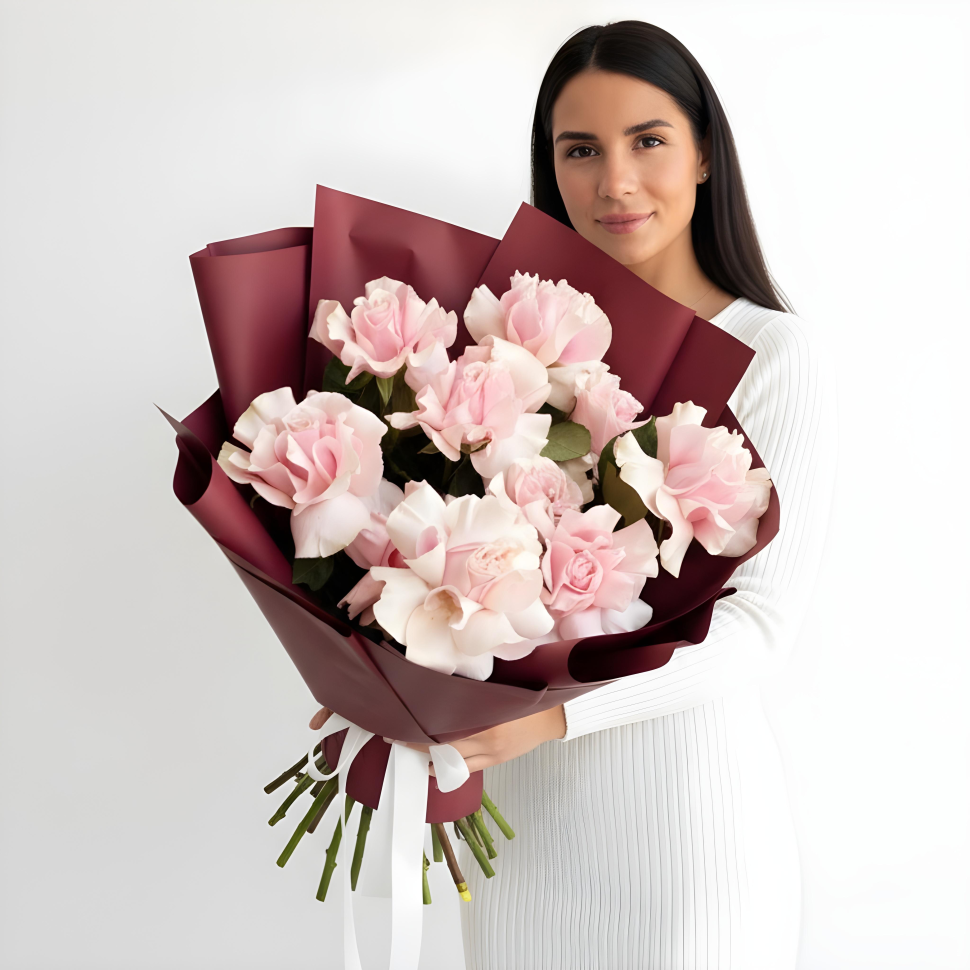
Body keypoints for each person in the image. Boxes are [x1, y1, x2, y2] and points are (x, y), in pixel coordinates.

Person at [314, 20, 836, 969]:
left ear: (705, 153)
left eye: (648, 140)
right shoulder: (508, 348)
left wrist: (556, 717)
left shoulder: (771, 354)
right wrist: (381, 676)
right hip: (524, 835)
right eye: (581, 150)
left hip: (685, 831)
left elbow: (758, 628)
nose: (615, 182)